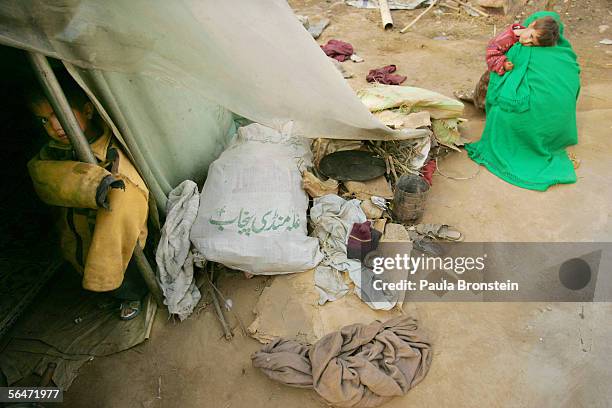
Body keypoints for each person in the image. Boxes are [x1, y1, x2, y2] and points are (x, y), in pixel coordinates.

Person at [27, 76, 149, 320]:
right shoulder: (51, 152)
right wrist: (88, 185)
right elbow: (42, 176)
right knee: (81, 257)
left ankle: (128, 295)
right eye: (44, 120)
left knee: (117, 260)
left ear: (88, 110)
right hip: (76, 229)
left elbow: (126, 185)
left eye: (59, 114)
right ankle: (105, 289)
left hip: (110, 228)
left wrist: (101, 185)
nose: (54, 125)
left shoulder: (110, 147)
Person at [465, 11, 580, 191]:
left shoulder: (519, 49)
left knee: (496, 83)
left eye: (534, 41)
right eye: (531, 37)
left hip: (521, 118)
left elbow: (495, 69)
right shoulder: (568, 57)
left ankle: (481, 103)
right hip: (557, 130)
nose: (528, 42)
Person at [470, 16, 560, 110]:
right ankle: (480, 105)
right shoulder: (506, 38)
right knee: (485, 95)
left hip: (510, 71)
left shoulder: (528, 34)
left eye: (532, 43)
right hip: (495, 70)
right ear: (532, 24)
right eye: (531, 36)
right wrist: (503, 63)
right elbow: (491, 54)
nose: (527, 42)